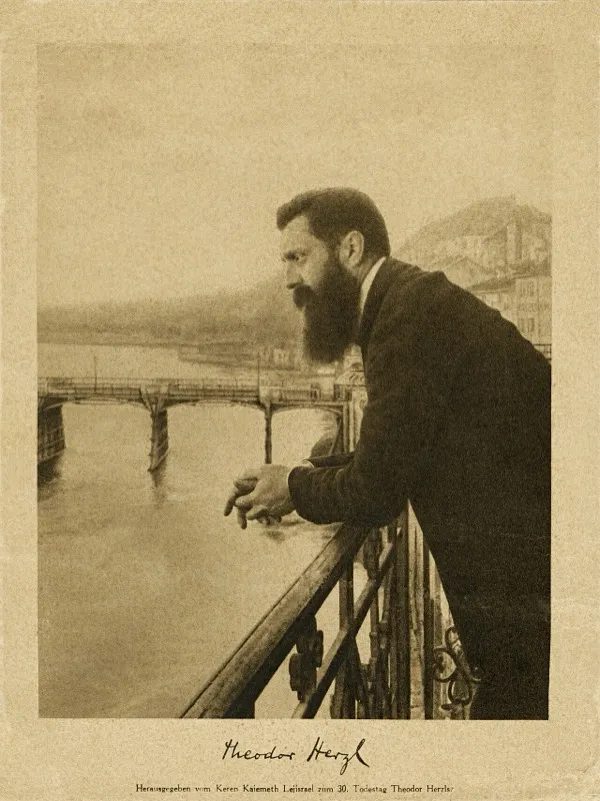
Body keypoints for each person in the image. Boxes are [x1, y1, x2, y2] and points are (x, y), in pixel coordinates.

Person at [224, 188, 551, 719]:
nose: (288, 279)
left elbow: (376, 489)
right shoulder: (406, 301)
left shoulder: (404, 318)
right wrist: (295, 475)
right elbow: (395, 448)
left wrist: (295, 488)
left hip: (535, 606)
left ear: (351, 249)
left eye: (298, 257)